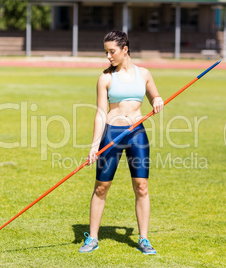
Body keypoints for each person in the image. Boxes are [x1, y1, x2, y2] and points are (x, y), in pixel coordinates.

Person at [79, 31, 164, 255]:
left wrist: (157, 100)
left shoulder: (144, 74)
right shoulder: (106, 78)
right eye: (106, 52)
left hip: (137, 133)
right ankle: (93, 238)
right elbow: (100, 113)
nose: (108, 56)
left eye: (112, 51)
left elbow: (154, 96)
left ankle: (144, 239)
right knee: (101, 187)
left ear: (125, 49)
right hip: (112, 134)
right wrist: (94, 146)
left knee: (142, 187)